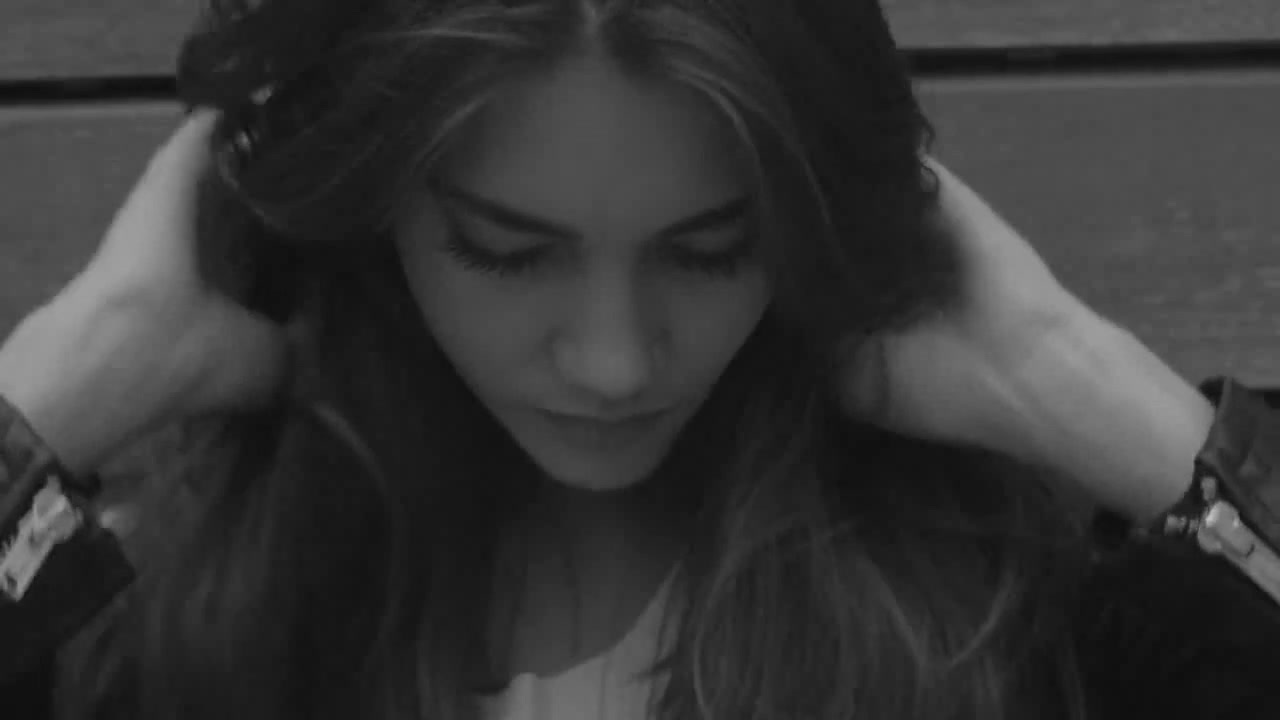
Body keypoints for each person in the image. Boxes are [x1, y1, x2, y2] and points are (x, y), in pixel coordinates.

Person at [3, 0, 1280, 719]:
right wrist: (69, 375)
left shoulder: (1010, 622)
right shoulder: (157, 620)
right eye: (507, 253)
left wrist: (1071, 376)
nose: (614, 362)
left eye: (713, 251)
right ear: (370, 206)